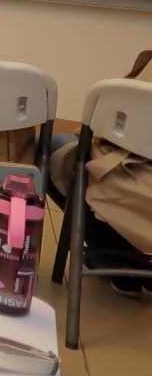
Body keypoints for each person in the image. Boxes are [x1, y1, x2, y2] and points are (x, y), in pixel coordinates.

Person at [48, 49, 152, 295]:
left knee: (52, 149)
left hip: (140, 185)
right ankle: (116, 259)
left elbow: (115, 124)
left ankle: (115, 258)